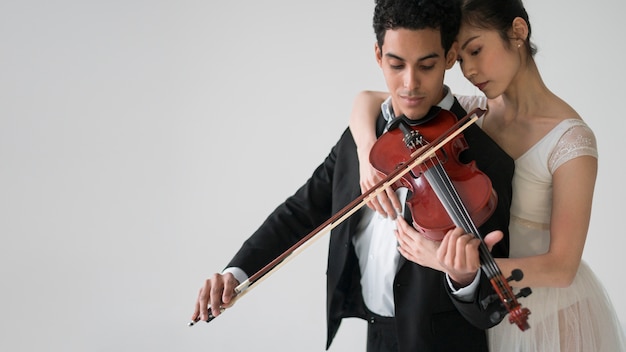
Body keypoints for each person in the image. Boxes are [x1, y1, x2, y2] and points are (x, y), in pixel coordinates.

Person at [191, 0, 518, 351]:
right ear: (378, 55)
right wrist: (235, 273)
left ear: (450, 56)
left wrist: (463, 277)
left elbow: (492, 307)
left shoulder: (482, 160)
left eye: (427, 65)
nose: (410, 83)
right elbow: (301, 211)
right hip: (374, 335)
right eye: (396, 64)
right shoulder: (365, 138)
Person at [348, 0, 626, 351]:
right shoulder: (470, 114)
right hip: (484, 316)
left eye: (476, 50)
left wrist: (446, 262)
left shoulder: (571, 140)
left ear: (518, 32)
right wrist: (365, 155)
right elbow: (367, 99)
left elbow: (562, 268)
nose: (470, 71)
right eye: (461, 59)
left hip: (549, 316)